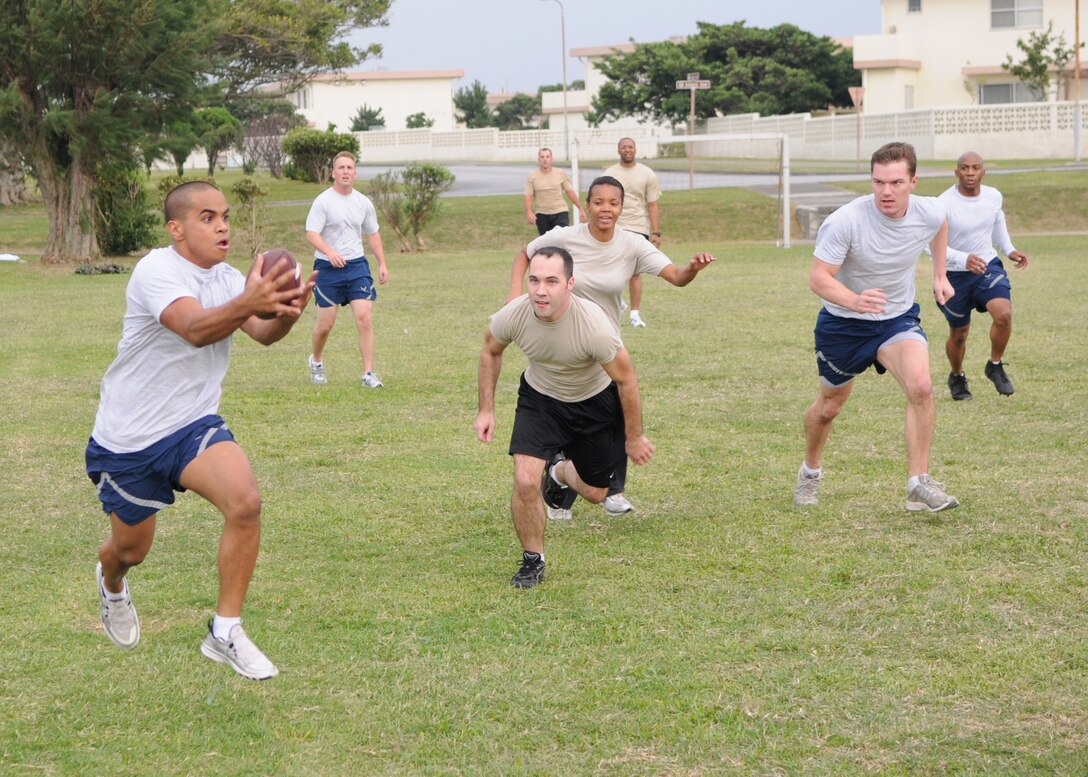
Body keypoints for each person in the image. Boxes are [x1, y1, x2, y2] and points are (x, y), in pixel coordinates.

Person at [87, 181, 316, 680]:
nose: (222, 227)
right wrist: (251, 299)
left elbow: (261, 333)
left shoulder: (229, 279)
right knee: (130, 550)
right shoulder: (156, 270)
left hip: (193, 424)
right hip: (130, 439)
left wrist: (287, 314)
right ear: (176, 228)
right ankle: (112, 582)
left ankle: (225, 631)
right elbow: (194, 329)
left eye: (225, 217)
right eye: (207, 218)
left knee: (245, 502)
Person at [507, 175, 714, 519]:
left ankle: (608, 489)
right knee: (560, 407)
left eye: (613, 203)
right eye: (599, 202)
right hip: (561, 338)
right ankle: (562, 494)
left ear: (622, 207)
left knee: (614, 411)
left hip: (603, 343)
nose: (606, 208)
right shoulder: (564, 237)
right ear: (587, 205)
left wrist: (692, 268)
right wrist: (514, 296)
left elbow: (676, 276)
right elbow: (524, 254)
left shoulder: (632, 245)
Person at [794, 141, 960, 513]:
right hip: (844, 325)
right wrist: (854, 300)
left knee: (921, 386)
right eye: (878, 182)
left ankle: (918, 483)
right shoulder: (846, 221)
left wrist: (940, 274)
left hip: (895, 319)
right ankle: (810, 471)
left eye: (896, 182)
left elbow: (940, 224)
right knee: (829, 407)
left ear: (913, 182)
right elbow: (818, 278)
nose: (886, 191)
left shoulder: (929, 210)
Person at [477, 246, 654, 588]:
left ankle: (558, 471)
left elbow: (626, 379)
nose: (540, 291)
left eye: (551, 281)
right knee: (526, 481)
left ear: (570, 284)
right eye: (534, 280)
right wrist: (486, 409)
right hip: (540, 400)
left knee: (596, 493)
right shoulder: (515, 314)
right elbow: (490, 350)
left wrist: (634, 436)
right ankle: (533, 559)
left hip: (593, 404)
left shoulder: (594, 327)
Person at [931, 151, 1029, 400]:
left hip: (987, 266)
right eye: (964, 168)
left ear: (983, 172)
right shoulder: (943, 203)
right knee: (959, 334)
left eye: (975, 168)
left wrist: (1009, 250)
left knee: (1004, 314)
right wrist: (963, 258)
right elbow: (930, 245)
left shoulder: (993, 196)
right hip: (953, 276)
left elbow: (997, 222)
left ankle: (994, 365)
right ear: (956, 172)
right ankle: (957, 376)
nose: (970, 172)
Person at [305, 150, 389, 388]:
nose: (345, 172)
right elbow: (311, 233)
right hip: (327, 268)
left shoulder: (363, 202)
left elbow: (372, 233)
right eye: (340, 168)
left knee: (364, 318)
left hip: (356, 267)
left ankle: (368, 373)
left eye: (349, 168)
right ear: (333, 173)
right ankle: (316, 361)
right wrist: (329, 252)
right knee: (325, 325)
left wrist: (382, 263)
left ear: (355, 173)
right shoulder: (323, 201)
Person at [604, 137, 662, 328]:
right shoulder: (610, 173)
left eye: (630, 147)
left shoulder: (647, 174)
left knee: (635, 272)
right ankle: (617, 301)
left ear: (635, 149)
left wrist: (656, 232)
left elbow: (652, 204)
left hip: (639, 226)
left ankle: (635, 314)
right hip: (615, 225)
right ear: (618, 150)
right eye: (623, 147)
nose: (627, 150)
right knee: (610, 265)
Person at [524, 147, 587, 235]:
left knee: (561, 238)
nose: (545, 159)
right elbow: (528, 195)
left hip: (560, 212)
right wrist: (529, 212)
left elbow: (570, 191)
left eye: (547, 157)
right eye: (542, 157)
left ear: (551, 159)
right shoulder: (532, 176)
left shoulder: (560, 173)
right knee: (546, 242)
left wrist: (580, 208)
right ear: (539, 159)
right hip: (542, 214)